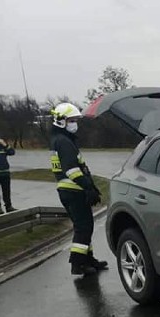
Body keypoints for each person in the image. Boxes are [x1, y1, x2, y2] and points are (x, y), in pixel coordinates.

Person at [49, 102, 107, 276]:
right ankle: (78, 263)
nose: (75, 123)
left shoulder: (59, 140)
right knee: (84, 227)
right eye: (72, 120)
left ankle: (88, 259)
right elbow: (72, 170)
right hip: (73, 190)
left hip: (69, 190)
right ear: (61, 121)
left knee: (84, 226)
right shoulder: (64, 142)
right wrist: (88, 187)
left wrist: (90, 187)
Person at [0, 137, 16, 214]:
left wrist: (5, 144)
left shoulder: (2, 146)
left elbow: (12, 152)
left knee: (7, 191)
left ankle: (8, 206)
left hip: (5, 173)